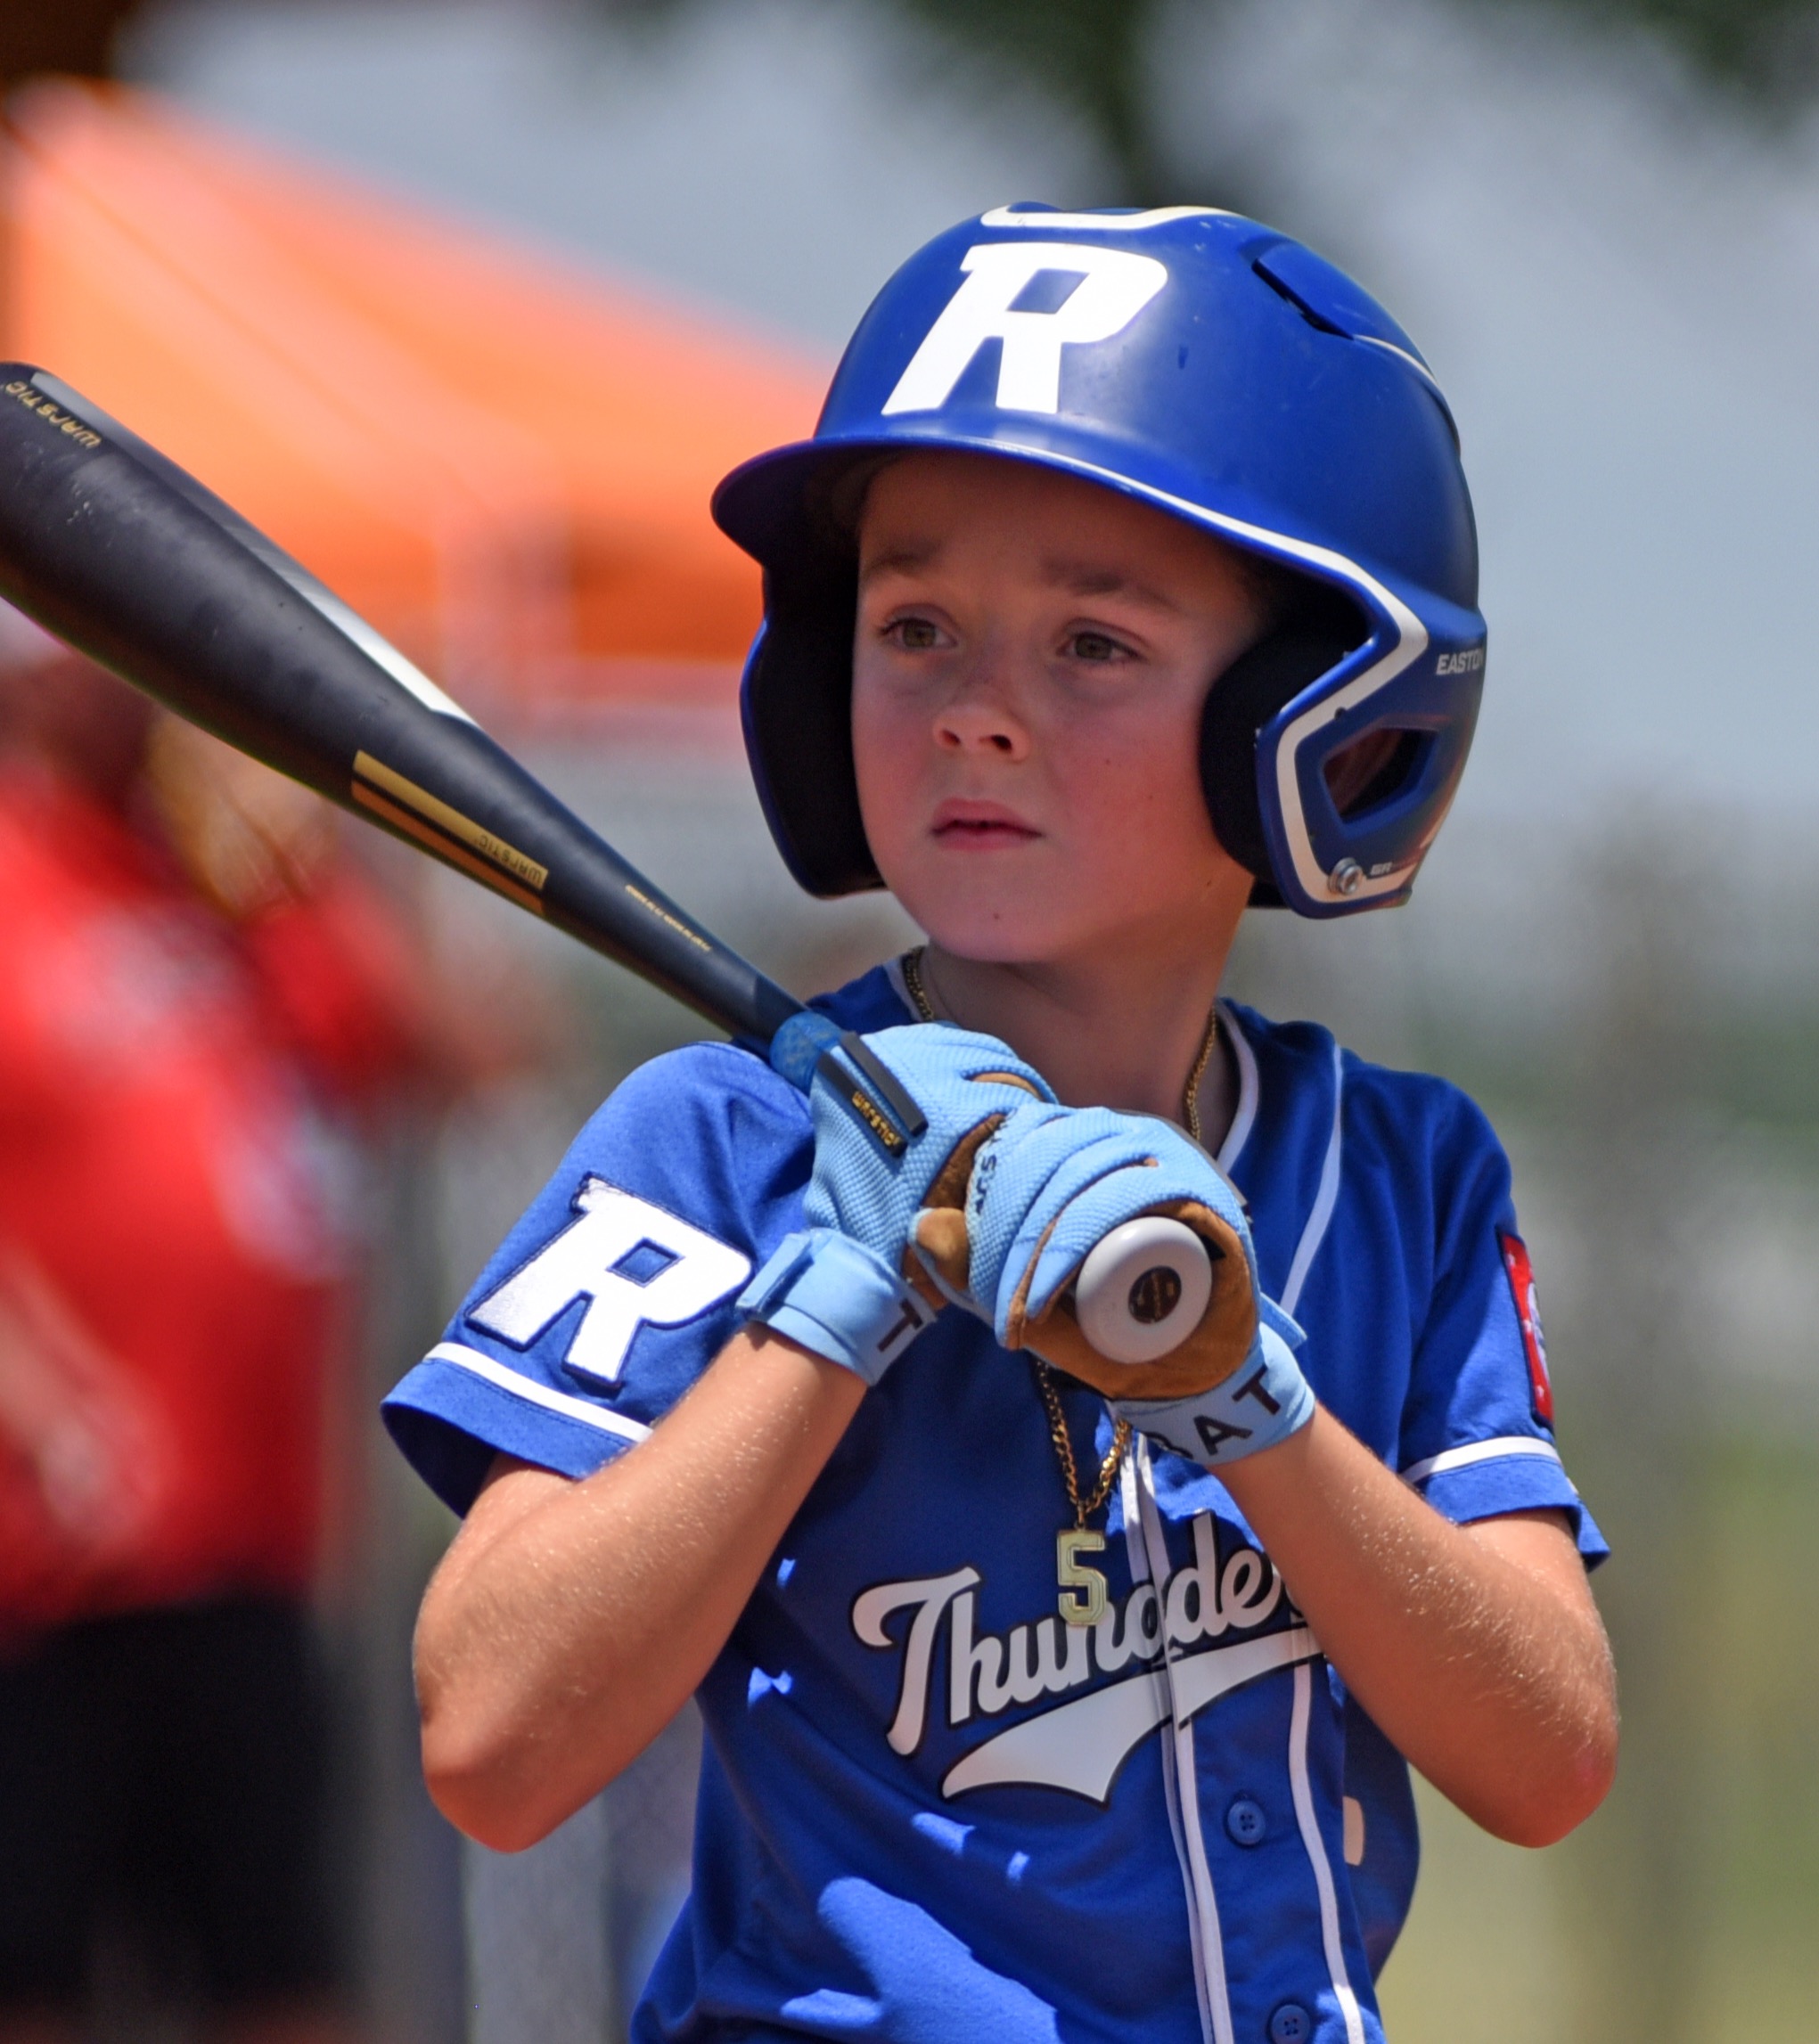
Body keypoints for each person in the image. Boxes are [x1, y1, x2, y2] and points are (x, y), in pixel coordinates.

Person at [384, 206, 1618, 2044]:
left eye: (1092, 643)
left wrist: (1246, 1403)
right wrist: (837, 1294)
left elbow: (1546, 1754)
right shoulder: (724, 1147)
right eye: (913, 626)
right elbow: (491, 1742)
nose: (974, 712)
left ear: (1321, 717)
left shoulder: (1399, 1177)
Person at [0, 622, 490, 2043]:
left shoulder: (241, 895)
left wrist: (317, 858)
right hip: (40, 1565)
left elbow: (464, 1051)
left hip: (244, 1551)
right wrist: (36, 1396)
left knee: (279, 1973)